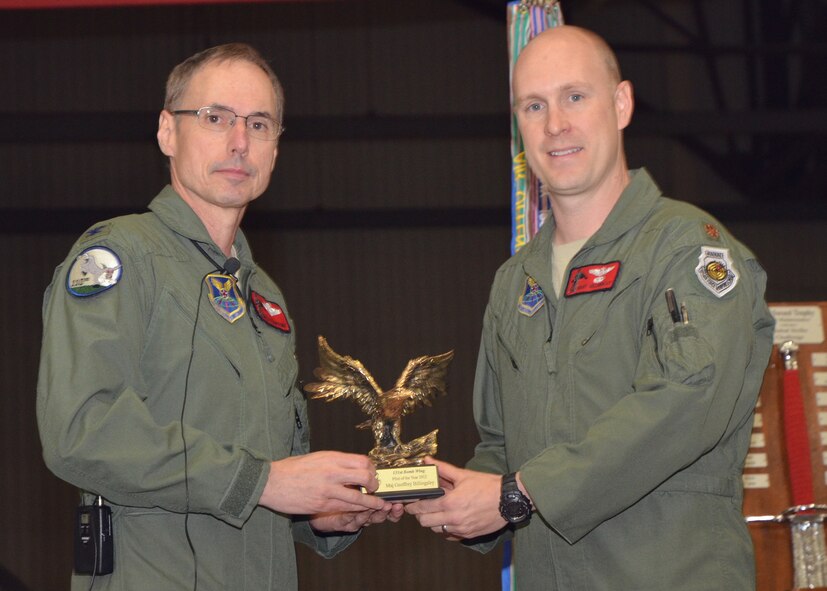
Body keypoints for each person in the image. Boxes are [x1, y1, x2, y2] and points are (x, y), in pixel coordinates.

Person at [406, 25, 774, 590]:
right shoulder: (515, 283)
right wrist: (453, 497)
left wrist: (516, 495)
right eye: (534, 105)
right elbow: (502, 446)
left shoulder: (686, 249)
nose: (556, 125)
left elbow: (685, 401)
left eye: (575, 96)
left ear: (622, 103)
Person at [37, 43, 402, 590]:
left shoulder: (265, 299)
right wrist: (264, 482)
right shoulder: (121, 257)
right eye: (215, 118)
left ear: (276, 149)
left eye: (259, 124)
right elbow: (81, 430)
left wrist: (319, 513)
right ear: (167, 131)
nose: (239, 142)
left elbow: (272, 473)